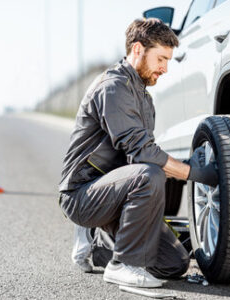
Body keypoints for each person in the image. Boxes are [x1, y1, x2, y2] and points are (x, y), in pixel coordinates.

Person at [58, 18, 218, 288]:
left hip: (114, 192)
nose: (165, 68)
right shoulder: (113, 88)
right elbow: (142, 155)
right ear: (137, 49)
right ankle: (123, 265)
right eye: (161, 59)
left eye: (168, 60)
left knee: (174, 263)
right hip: (81, 193)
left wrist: (184, 164)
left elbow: (140, 156)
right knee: (148, 175)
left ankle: (99, 246)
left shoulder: (144, 98)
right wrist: (192, 172)